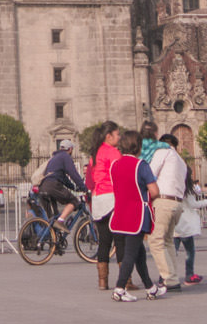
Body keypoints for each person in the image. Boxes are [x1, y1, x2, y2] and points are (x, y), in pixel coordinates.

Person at [108, 130, 163, 302]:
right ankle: (119, 288)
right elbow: (154, 191)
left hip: (119, 213)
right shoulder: (142, 165)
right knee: (131, 254)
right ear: (138, 146)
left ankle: (150, 287)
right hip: (136, 214)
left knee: (138, 253)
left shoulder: (114, 165)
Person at [146, 132, 188, 291]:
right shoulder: (181, 160)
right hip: (176, 203)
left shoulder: (162, 153)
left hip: (163, 200)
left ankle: (169, 279)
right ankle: (172, 276)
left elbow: (150, 174)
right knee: (168, 241)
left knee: (156, 241)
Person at [86, 121, 122, 290]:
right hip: (113, 197)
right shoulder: (113, 152)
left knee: (104, 241)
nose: (120, 137)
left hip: (98, 199)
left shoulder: (95, 153)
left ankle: (102, 281)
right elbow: (121, 174)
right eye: (118, 134)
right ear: (109, 136)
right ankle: (125, 280)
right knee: (120, 240)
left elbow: (90, 179)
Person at [173, 165, 207, 283]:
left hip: (174, 222)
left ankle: (164, 276)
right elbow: (193, 204)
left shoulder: (173, 186)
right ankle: (189, 274)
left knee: (172, 252)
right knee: (190, 251)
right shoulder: (186, 188)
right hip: (185, 224)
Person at [40, 139, 88, 231]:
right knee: (74, 201)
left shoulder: (54, 158)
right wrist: (83, 187)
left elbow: (64, 178)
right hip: (53, 186)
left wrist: (73, 187)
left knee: (53, 219)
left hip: (43, 186)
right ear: (70, 149)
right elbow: (73, 174)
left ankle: (52, 239)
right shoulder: (65, 157)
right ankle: (61, 221)